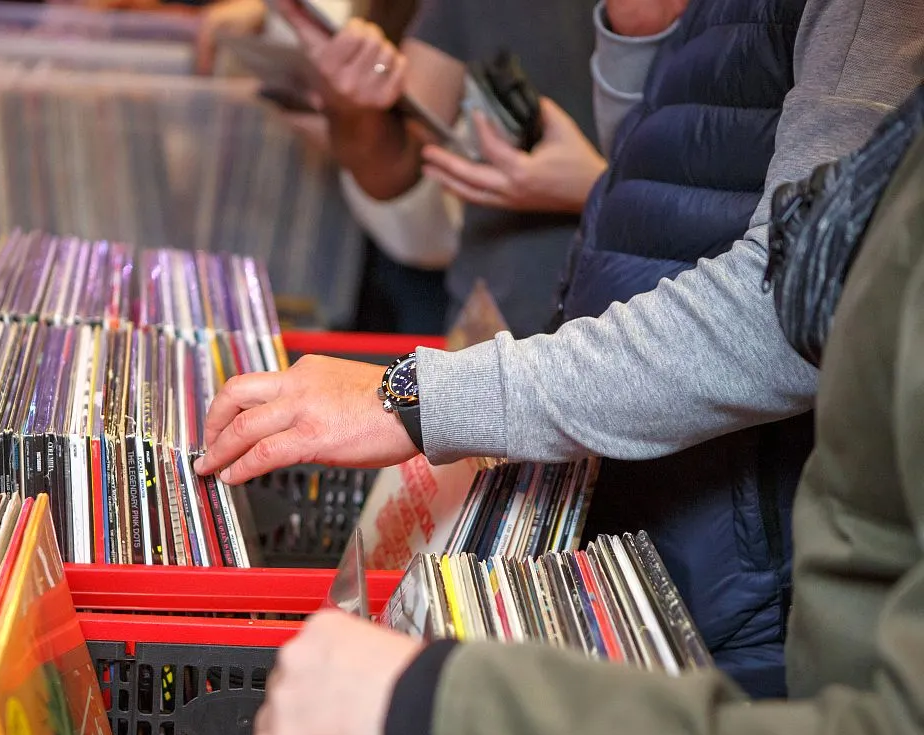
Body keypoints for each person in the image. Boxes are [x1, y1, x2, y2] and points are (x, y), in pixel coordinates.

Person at [195, 0, 923, 698]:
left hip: (748, 563)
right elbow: (666, 189)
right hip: (653, 508)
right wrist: (636, 36)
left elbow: (784, 313)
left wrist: (415, 399)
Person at [198, 0, 602, 338]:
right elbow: (400, 168)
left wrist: (597, 187)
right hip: (491, 331)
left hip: (623, 341)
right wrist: (353, 102)